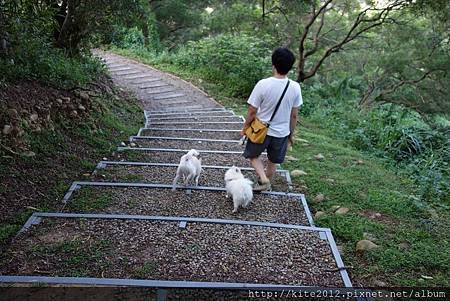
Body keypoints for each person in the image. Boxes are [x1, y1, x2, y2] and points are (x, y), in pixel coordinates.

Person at [241, 47, 303, 191]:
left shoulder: (263, 84)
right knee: (273, 161)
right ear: (290, 67)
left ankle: (263, 179)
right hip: (281, 133)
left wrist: (245, 127)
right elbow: (294, 115)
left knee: (253, 155)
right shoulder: (295, 87)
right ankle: (265, 184)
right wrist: (290, 134)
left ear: (273, 64)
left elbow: (252, 111)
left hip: (260, 130)